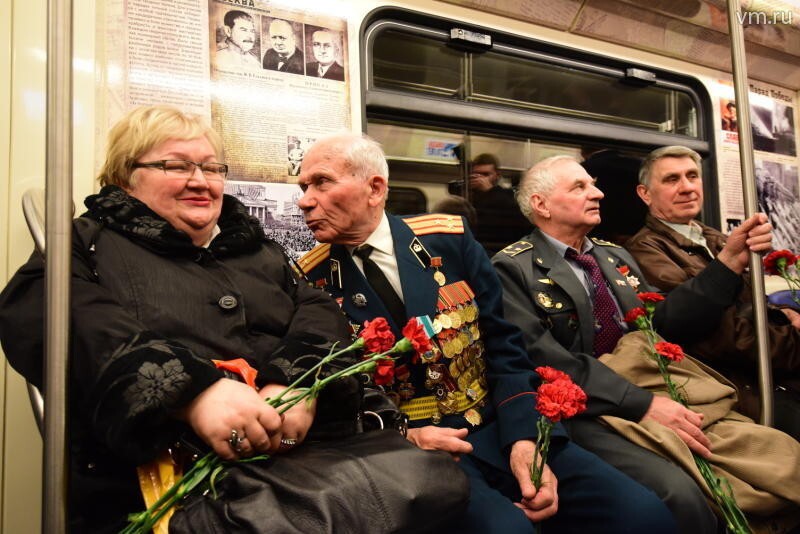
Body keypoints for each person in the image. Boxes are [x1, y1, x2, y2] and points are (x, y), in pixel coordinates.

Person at [0, 106, 361, 532]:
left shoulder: (257, 248)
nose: (200, 180)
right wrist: (191, 392)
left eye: (211, 168)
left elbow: (316, 309)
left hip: (303, 477)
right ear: (124, 177)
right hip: (157, 491)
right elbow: (55, 317)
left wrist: (295, 382)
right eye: (176, 165)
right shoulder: (84, 243)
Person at [296, 133, 677, 534]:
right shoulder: (311, 279)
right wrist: (404, 436)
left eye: (321, 182)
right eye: (304, 187)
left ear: (374, 188)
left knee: (642, 514)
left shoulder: (449, 239)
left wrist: (525, 438)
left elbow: (505, 345)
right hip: (415, 448)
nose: (305, 200)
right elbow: (336, 397)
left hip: (500, 420)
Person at [492, 154, 773, 533]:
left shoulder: (614, 257)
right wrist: (642, 404)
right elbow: (545, 357)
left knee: (768, 459)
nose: (598, 193)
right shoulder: (512, 268)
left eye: (593, 184)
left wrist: (727, 263)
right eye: (580, 187)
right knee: (679, 492)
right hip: (583, 409)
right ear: (540, 205)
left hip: (649, 390)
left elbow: (662, 325)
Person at [625, 145, 800, 438]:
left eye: (692, 176)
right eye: (672, 180)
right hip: (734, 385)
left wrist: (782, 312)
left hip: (768, 371)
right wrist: (795, 342)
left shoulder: (715, 238)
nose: (687, 187)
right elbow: (717, 335)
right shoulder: (645, 250)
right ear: (645, 194)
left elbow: (747, 302)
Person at [468, 153, 531, 255]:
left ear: (497, 175)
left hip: (502, 252)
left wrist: (490, 191)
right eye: (477, 174)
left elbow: (518, 220)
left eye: (486, 175)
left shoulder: (508, 196)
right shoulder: (468, 198)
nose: (480, 179)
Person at [580, 146, 645, 245]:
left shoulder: (584, 169)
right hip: (636, 236)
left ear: (583, 152)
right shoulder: (640, 166)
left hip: (599, 237)